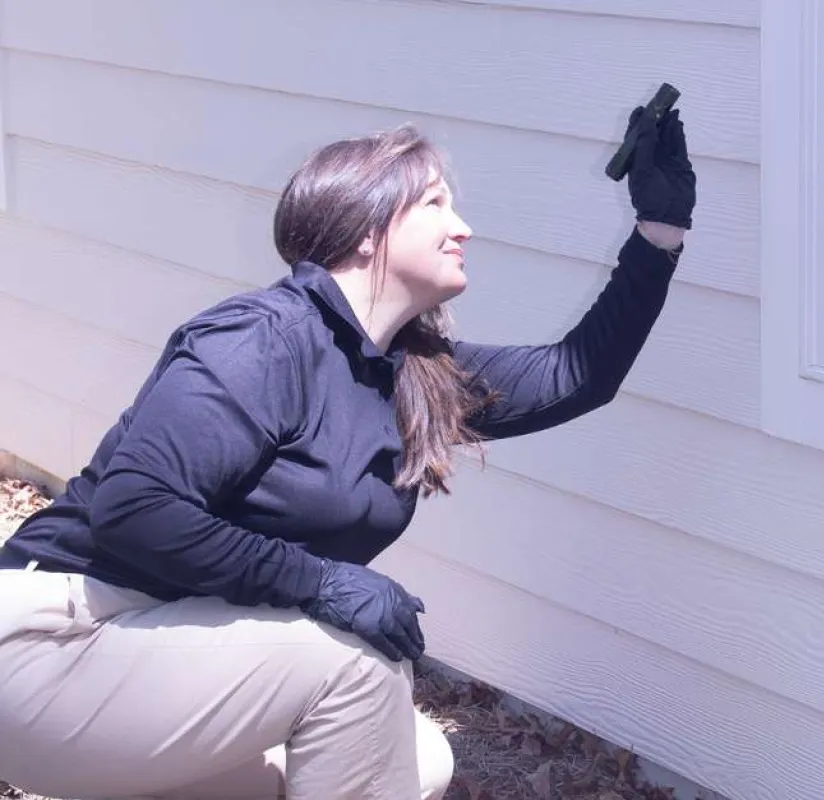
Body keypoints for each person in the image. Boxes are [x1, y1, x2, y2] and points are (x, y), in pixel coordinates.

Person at [0, 103, 696, 800]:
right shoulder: (263, 340)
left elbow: (575, 377)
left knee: (413, 757)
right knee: (355, 668)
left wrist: (658, 233)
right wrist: (320, 583)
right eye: (435, 204)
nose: (464, 228)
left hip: (160, 641)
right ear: (366, 231)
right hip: (54, 645)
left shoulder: (406, 372)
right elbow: (137, 509)